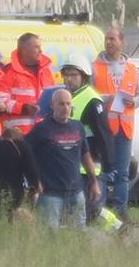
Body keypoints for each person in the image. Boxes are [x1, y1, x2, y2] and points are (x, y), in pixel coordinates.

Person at [91, 28, 139, 220]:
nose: (109, 42)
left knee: (122, 173)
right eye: (107, 39)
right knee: (104, 171)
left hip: (125, 128)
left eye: (113, 39)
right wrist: (107, 98)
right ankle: (100, 212)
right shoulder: (96, 66)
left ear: (122, 42)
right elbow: (91, 94)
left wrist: (134, 101)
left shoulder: (132, 68)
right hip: (104, 127)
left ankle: (121, 213)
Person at [24, 88, 93, 230]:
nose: (66, 108)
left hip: (76, 191)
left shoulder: (78, 127)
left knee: (79, 233)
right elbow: (25, 155)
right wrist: (34, 181)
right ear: (52, 105)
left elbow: (85, 155)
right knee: (50, 235)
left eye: (68, 104)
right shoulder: (41, 129)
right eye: (61, 104)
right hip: (51, 193)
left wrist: (94, 181)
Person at [61, 64, 115, 226]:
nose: (69, 79)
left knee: (93, 211)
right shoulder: (69, 98)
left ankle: (119, 231)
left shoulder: (92, 100)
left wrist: (109, 166)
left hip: (90, 167)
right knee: (79, 212)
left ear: (84, 77)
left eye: (74, 75)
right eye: (66, 75)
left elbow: (104, 135)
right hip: (73, 166)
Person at [0, 33, 58, 138]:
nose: (41, 51)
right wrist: (25, 108)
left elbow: (54, 96)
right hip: (17, 135)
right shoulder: (7, 72)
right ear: (24, 49)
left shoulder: (46, 71)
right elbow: (1, 102)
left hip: (44, 133)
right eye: (36, 47)